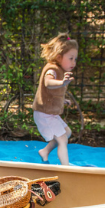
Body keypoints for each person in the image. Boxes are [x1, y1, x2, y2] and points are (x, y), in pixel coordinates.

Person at [33, 33, 78, 165]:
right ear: (59, 57)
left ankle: (45, 151)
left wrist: (62, 101)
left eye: (75, 59)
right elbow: (48, 82)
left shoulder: (60, 70)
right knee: (62, 139)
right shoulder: (52, 69)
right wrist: (62, 83)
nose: (73, 63)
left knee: (67, 132)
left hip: (50, 113)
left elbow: (51, 93)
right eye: (70, 58)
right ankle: (66, 167)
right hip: (44, 114)